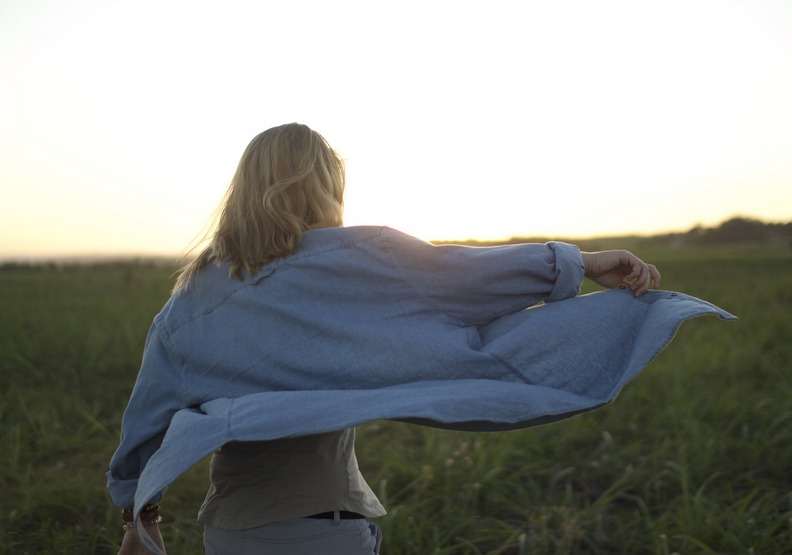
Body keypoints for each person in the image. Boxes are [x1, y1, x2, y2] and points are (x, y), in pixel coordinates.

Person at [107, 123, 733, 555]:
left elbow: (144, 426)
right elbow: (464, 273)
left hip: (229, 531)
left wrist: (139, 519)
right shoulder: (358, 259)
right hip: (323, 532)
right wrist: (582, 262)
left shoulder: (186, 305)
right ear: (325, 185)